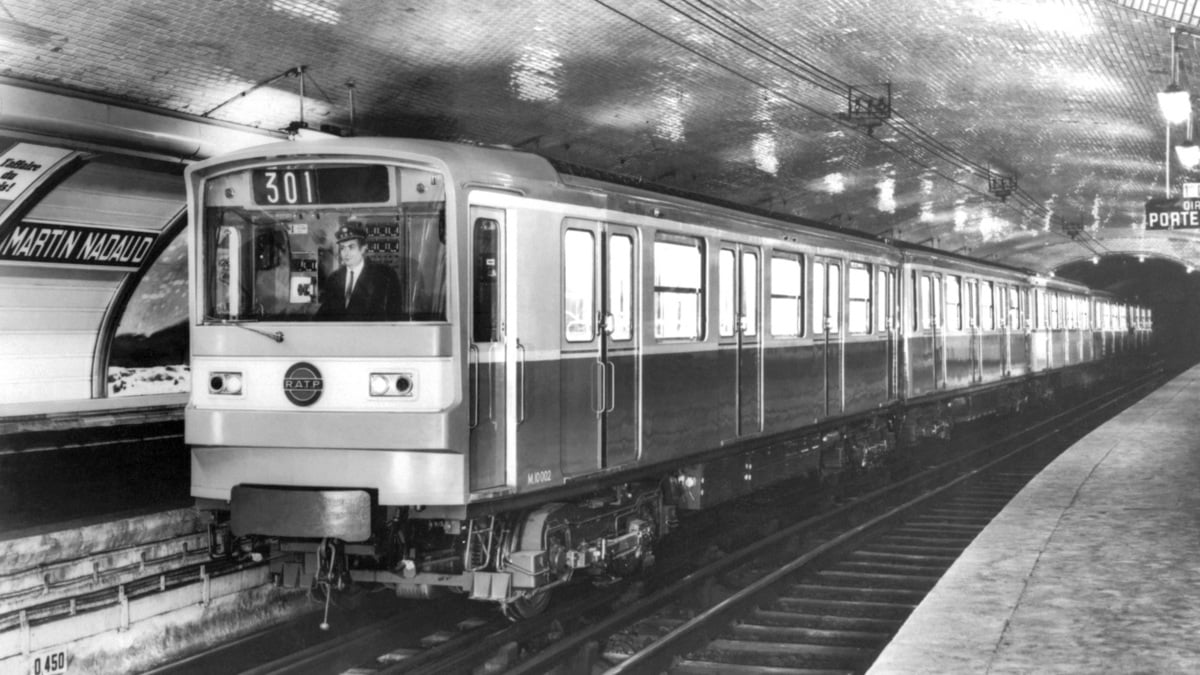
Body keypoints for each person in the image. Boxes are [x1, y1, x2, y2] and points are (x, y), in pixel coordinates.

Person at [317, 223, 402, 320]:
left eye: (351, 247)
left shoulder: (384, 276)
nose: (346, 253)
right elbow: (324, 315)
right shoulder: (334, 279)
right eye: (342, 248)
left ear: (363, 249)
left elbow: (395, 317)